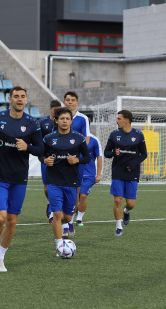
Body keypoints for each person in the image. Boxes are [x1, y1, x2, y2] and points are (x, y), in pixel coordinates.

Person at [0, 86, 44, 272]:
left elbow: (40, 149)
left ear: (26, 100)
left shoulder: (32, 124)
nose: (19, 99)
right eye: (16, 96)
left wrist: (28, 147)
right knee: (0, 218)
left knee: (12, 221)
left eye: (22, 97)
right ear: (10, 99)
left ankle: (1, 256)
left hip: (19, 177)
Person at [40, 107, 90, 250]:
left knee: (67, 217)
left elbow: (87, 157)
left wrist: (77, 160)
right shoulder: (49, 138)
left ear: (71, 121)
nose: (65, 121)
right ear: (56, 121)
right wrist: (45, 160)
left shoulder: (78, 138)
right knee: (57, 214)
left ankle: (65, 225)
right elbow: (41, 155)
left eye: (67, 119)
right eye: (62, 118)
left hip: (71, 181)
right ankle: (59, 246)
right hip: (54, 181)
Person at [103, 110, 147, 237]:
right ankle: (118, 227)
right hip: (118, 171)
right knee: (117, 200)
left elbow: (144, 154)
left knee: (131, 203)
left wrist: (133, 164)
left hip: (132, 171)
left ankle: (126, 211)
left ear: (127, 120)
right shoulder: (114, 134)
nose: (117, 121)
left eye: (119, 119)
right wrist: (113, 153)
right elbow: (106, 152)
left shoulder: (139, 135)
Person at [64, 91, 90, 235]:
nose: (70, 102)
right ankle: (60, 219)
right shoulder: (60, 117)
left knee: (75, 194)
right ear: (64, 101)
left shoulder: (83, 119)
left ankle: (70, 221)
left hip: (75, 162)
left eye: (73, 100)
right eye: (68, 100)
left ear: (77, 102)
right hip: (60, 161)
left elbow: (86, 139)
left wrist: (76, 154)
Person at [39, 99, 61, 223]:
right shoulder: (43, 122)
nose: (56, 111)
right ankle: (50, 202)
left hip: (59, 159)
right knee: (47, 188)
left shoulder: (62, 123)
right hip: (47, 158)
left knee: (56, 185)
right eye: (54, 109)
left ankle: (53, 211)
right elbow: (38, 139)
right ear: (50, 109)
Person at [74, 133, 103, 226]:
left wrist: (98, 174)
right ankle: (69, 217)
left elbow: (99, 157)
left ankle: (79, 218)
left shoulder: (94, 140)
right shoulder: (73, 136)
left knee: (83, 195)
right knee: (74, 196)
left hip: (89, 174)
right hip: (75, 172)